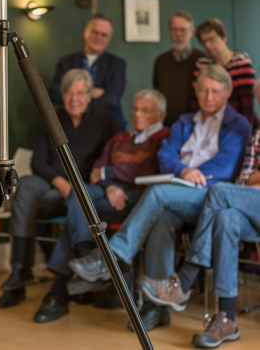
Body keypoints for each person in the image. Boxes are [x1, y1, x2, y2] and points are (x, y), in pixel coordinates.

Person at [69, 65, 251, 331]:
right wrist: (183, 170)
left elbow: (226, 166)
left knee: (158, 193)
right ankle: (157, 308)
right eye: (203, 90)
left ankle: (112, 257)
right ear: (196, 91)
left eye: (215, 91)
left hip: (211, 195)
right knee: (161, 219)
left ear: (227, 92)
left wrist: (193, 174)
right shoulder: (184, 121)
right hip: (179, 191)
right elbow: (165, 158)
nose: (208, 96)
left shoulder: (238, 125)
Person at [138, 79, 260, 348]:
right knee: (225, 217)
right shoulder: (258, 133)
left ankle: (184, 280)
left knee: (219, 192)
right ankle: (227, 318)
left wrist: (255, 180)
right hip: (253, 206)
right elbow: (246, 177)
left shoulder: (238, 126)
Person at [32, 89, 170, 324]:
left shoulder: (165, 137)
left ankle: (61, 288)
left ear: (160, 114)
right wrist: (110, 185)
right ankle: (87, 257)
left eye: (145, 110)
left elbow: (148, 171)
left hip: (140, 198)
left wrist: (112, 174)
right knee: (80, 192)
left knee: (84, 216)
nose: (137, 114)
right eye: (135, 108)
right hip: (110, 192)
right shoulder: (119, 139)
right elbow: (96, 171)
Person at [0, 69, 117, 309]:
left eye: (80, 93)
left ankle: (38, 276)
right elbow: (37, 162)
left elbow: (111, 159)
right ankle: (20, 271)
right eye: (69, 93)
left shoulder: (105, 120)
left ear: (90, 95)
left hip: (83, 192)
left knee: (31, 198)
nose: (75, 99)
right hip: (52, 187)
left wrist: (79, 185)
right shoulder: (50, 118)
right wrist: (60, 182)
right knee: (27, 185)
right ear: (62, 95)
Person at [49, 13, 127, 132]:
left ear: (109, 38)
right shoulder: (66, 62)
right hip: (69, 126)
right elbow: (54, 94)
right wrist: (91, 93)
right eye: (95, 32)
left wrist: (75, 100)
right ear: (86, 31)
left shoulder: (117, 64)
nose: (98, 38)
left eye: (104, 35)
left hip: (106, 127)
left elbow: (112, 100)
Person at [190, 18, 259, 130]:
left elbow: (248, 103)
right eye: (203, 42)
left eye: (212, 39)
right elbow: (195, 98)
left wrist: (245, 130)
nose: (207, 45)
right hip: (208, 124)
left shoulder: (241, 61)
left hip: (237, 123)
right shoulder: (202, 63)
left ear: (223, 38)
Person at [153, 11, 204, 126]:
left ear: (192, 31)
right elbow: (157, 94)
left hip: (195, 125)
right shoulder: (160, 61)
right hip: (166, 125)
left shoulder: (202, 60)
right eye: (174, 29)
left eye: (182, 30)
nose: (178, 34)